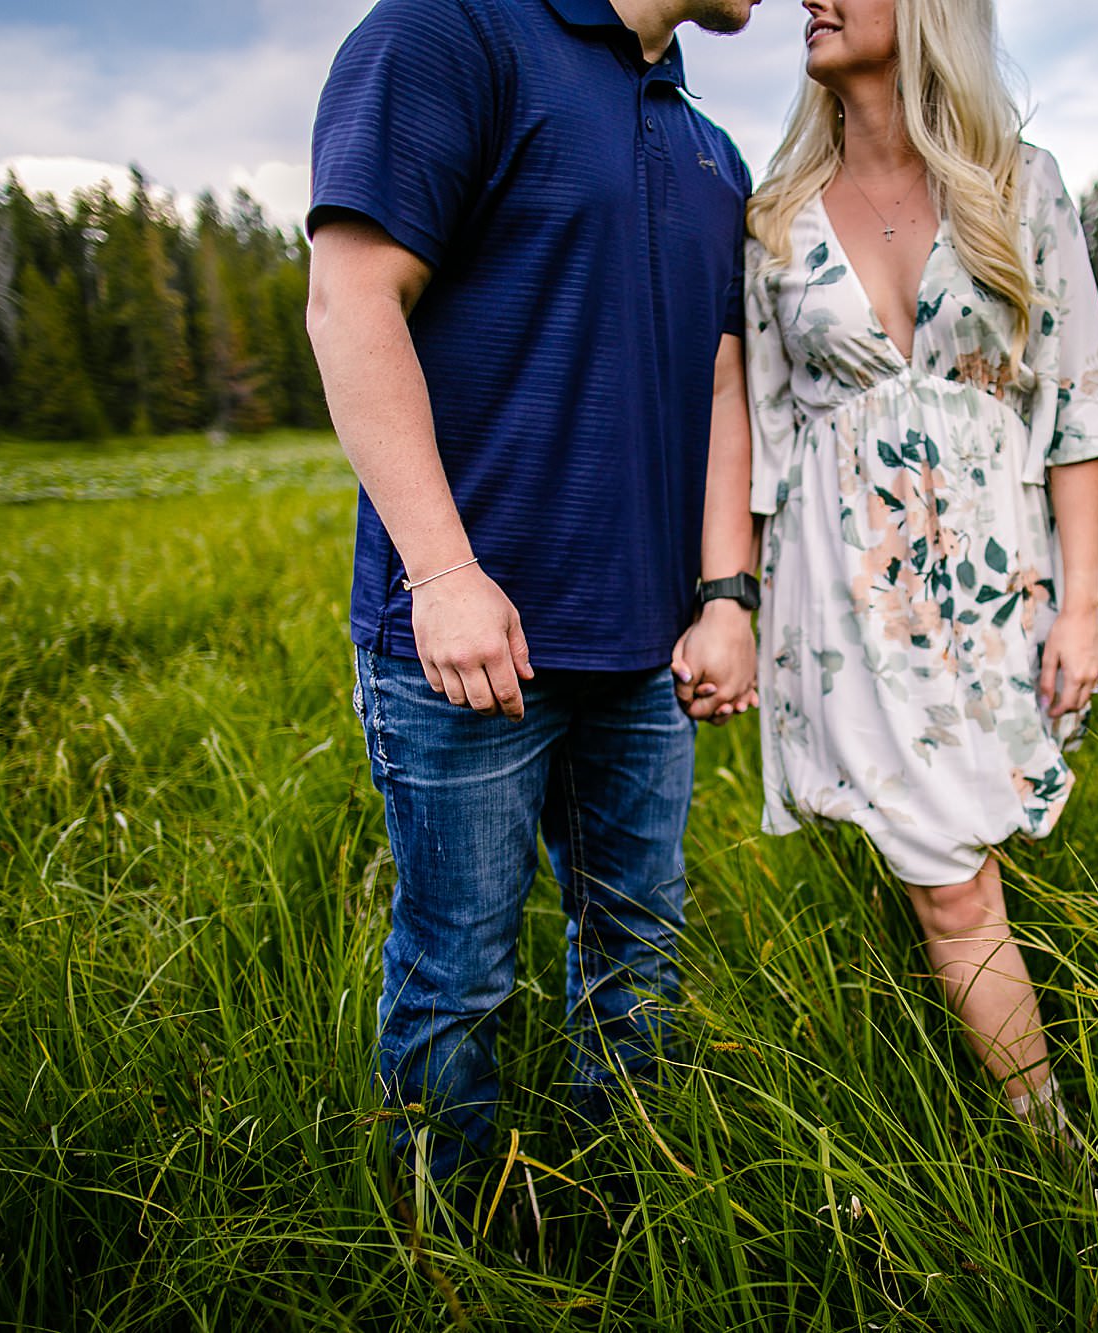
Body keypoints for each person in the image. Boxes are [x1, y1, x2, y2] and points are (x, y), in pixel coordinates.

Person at [304, 0, 764, 1185]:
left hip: (650, 651)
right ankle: (441, 1259)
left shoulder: (715, 153)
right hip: (469, 648)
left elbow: (722, 390)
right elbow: (352, 299)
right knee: (457, 976)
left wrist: (725, 594)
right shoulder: (454, 32)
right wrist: (443, 574)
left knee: (638, 962)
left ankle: (637, 1226)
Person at [736, 0, 1098, 1139]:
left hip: (996, 591)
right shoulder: (773, 217)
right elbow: (756, 432)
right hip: (844, 595)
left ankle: (1002, 1124)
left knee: (957, 861)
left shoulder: (1019, 185)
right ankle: (1052, 1154)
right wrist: (733, 599)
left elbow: (1081, 412)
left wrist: (1081, 611)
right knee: (952, 879)